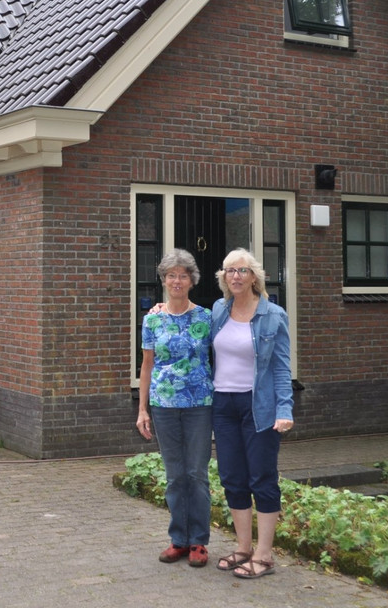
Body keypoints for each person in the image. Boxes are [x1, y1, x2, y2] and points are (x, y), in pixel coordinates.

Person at [209, 248, 294, 579]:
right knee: (232, 477)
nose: (235, 276)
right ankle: (244, 548)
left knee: (262, 478)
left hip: (259, 406)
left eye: (242, 270)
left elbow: (281, 367)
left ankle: (265, 555)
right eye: (230, 270)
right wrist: (162, 308)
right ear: (223, 277)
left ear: (254, 276)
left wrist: (284, 409)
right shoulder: (219, 310)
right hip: (223, 404)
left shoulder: (273, 315)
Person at [136, 248, 214, 568]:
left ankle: (198, 541)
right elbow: (146, 365)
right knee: (174, 475)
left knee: (196, 474)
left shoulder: (207, 317)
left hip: (199, 405)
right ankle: (179, 539)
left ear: (192, 280)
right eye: (171, 275)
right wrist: (142, 409)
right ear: (164, 280)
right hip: (164, 406)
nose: (177, 281)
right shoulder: (152, 319)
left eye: (183, 275)